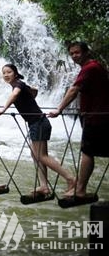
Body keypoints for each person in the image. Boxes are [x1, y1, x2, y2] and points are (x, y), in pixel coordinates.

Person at [0, 64, 75, 195]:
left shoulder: (18, 85)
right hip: (38, 123)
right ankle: (44, 186)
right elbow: (34, 90)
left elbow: (14, 95)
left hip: (38, 123)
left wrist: (3, 110)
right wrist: (30, 97)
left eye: (9, 72)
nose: (6, 75)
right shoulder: (22, 85)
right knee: (35, 154)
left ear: (15, 73)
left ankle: (71, 179)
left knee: (41, 156)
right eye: (4, 73)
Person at [49, 42, 109, 198]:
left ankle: (80, 189)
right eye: (72, 54)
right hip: (99, 116)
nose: (74, 56)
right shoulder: (94, 67)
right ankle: (80, 188)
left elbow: (74, 90)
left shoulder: (90, 68)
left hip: (96, 118)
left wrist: (59, 109)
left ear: (86, 52)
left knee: (87, 152)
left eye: (77, 52)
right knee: (93, 151)